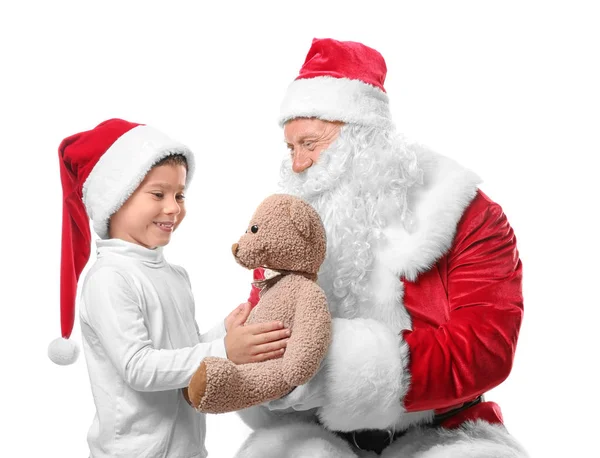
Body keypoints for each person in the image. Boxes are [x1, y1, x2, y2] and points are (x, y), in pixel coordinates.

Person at [235, 38, 529, 457]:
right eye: (291, 147)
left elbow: (486, 348)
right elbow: (269, 319)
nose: (298, 165)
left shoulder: (466, 213)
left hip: (440, 431)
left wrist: (333, 366)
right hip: (320, 435)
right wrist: (248, 354)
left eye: (311, 144)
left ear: (363, 140)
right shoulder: (291, 225)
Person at [48, 118, 290, 458]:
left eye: (179, 194)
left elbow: (181, 355)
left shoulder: (175, 275)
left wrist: (224, 332)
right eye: (158, 194)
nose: (174, 208)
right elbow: (139, 368)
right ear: (115, 199)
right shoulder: (110, 279)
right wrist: (223, 350)